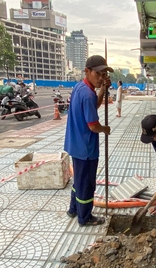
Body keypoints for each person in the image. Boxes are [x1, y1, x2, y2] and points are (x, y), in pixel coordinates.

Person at [63, 55, 112, 226]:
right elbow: (93, 125)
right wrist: (104, 129)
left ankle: (74, 209)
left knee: (79, 181)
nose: (101, 78)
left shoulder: (80, 88)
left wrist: (103, 90)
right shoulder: (88, 95)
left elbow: (93, 107)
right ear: (87, 71)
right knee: (86, 185)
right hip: (86, 149)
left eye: (104, 74)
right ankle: (85, 217)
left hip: (76, 145)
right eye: (97, 74)